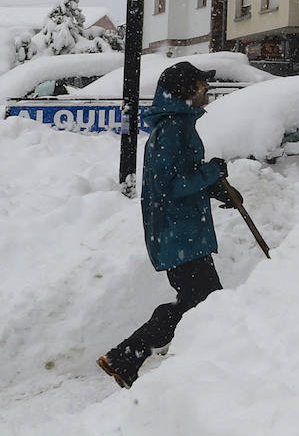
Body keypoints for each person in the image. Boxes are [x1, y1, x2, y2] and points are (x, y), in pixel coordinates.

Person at [97, 60, 242, 388]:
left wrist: (216, 187)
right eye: (201, 84)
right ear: (188, 90)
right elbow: (172, 185)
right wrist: (211, 173)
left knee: (198, 304)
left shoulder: (180, 125)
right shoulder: (173, 129)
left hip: (184, 232)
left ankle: (128, 357)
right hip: (178, 235)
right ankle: (130, 355)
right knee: (207, 305)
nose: (207, 88)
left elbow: (183, 174)